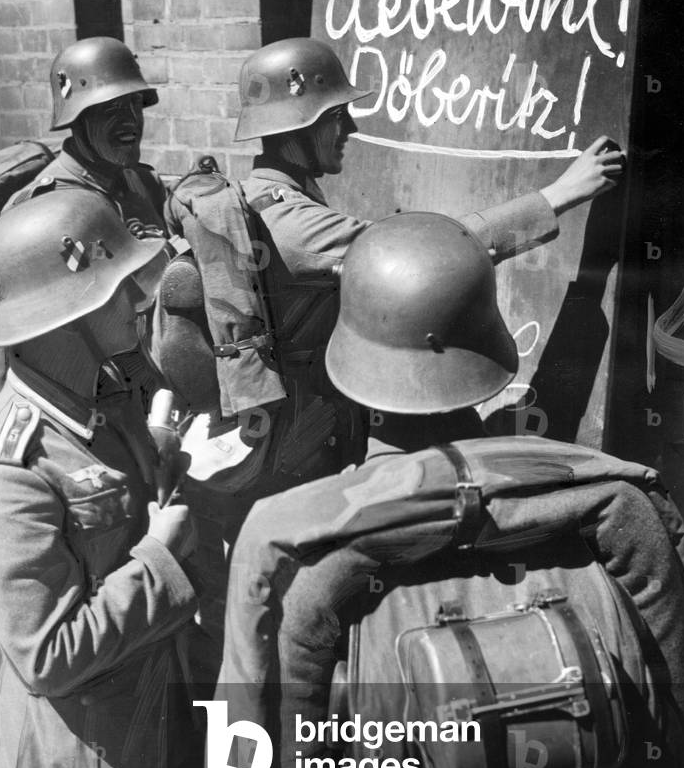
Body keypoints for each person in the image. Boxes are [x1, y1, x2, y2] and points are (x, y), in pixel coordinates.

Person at [210, 213, 684, 768]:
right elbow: (671, 762)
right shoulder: (613, 503)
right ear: (490, 347)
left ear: (348, 360)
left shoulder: (287, 541)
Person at [164, 37, 625, 541]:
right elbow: (426, 253)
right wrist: (558, 196)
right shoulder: (290, 224)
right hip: (305, 446)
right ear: (301, 125)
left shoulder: (271, 201)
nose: (351, 129)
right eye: (338, 117)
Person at [0, 190, 214, 768]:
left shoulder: (99, 391)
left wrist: (164, 447)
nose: (139, 302)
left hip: (153, 718)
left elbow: (119, 485)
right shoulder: (5, 472)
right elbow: (49, 653)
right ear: (68, 314)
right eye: (120, 289)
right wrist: (162, 555)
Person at [0, 36, 167, 430]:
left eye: (135, 105)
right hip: (82, 411)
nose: (130, 122)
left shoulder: (140, 186)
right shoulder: (36, 212)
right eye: (111, 109)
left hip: (149, 393)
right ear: (78, 118)